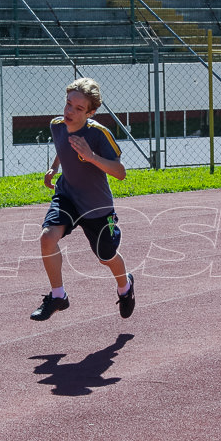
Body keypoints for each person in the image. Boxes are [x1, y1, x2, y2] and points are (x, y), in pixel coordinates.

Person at [31, 77, 136, 322]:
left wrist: (91, 156)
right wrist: (53, 168)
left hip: (97, 206)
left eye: (78, 109)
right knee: (47, 237)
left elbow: (120, 173)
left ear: (91, 112)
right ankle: (58, 295)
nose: (70, 111)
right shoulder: (57, 125)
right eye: (68, 104)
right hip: (67, 195)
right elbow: (62, 146)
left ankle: (125, 286)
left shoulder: (99, 134)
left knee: (105, 257)